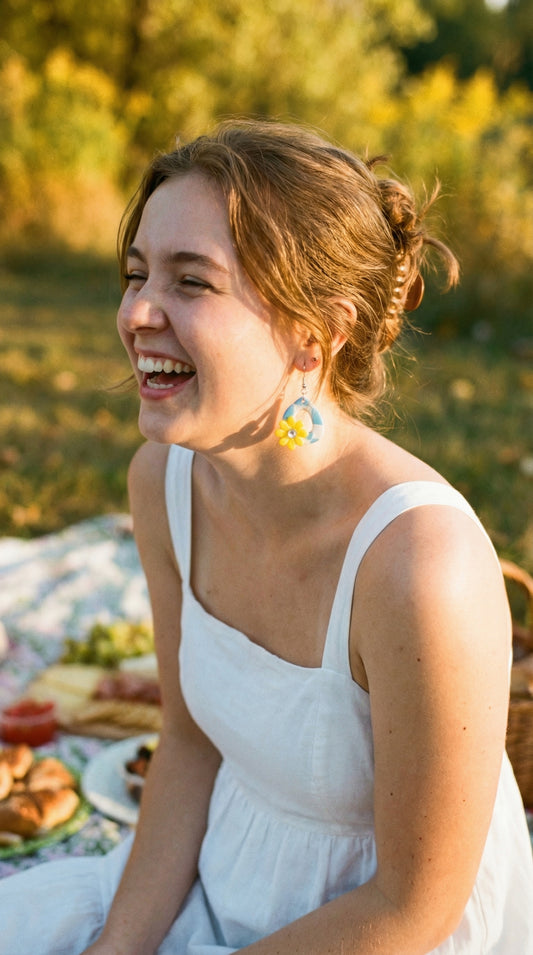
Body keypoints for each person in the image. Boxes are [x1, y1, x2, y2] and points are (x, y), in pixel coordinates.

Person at [1, 119, 532, 955]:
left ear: (315, 333)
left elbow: (410, 908)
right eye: (137, 272)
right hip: (221, 869)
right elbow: (186, 743)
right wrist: (117, 946)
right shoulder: (162, 482)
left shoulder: (422, 568)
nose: (137, 311)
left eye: (192, 282)